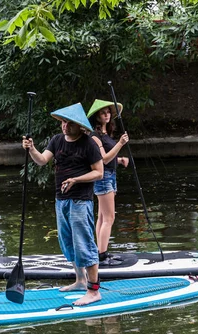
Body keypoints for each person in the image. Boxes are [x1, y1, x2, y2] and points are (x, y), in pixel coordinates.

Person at [22, 102, 104, 306]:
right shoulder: (57, 141)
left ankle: (94, 291)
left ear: (79, 125)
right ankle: (80, 280)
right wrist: (32, 149)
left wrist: (76, 179)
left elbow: (99, 172)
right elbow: (41, 160)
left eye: (69, 123)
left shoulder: (88, 144)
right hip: (61, 200)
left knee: (84, 244)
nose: (65, 126)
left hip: (80, 201)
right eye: (63, 122)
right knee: (68, 243)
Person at [86, 100, 130, 266]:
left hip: (110, 175)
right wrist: (120, 144)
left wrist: (119, 160)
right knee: (109, 218)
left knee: (102, 216)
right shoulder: (95, 136)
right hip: (104, 177)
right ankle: (102, 255)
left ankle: (99, 251)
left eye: (108, 112)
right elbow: (103, 159)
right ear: (97, 116)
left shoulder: (105, 135)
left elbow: (109, 157)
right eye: (103, 112)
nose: (107, 114)